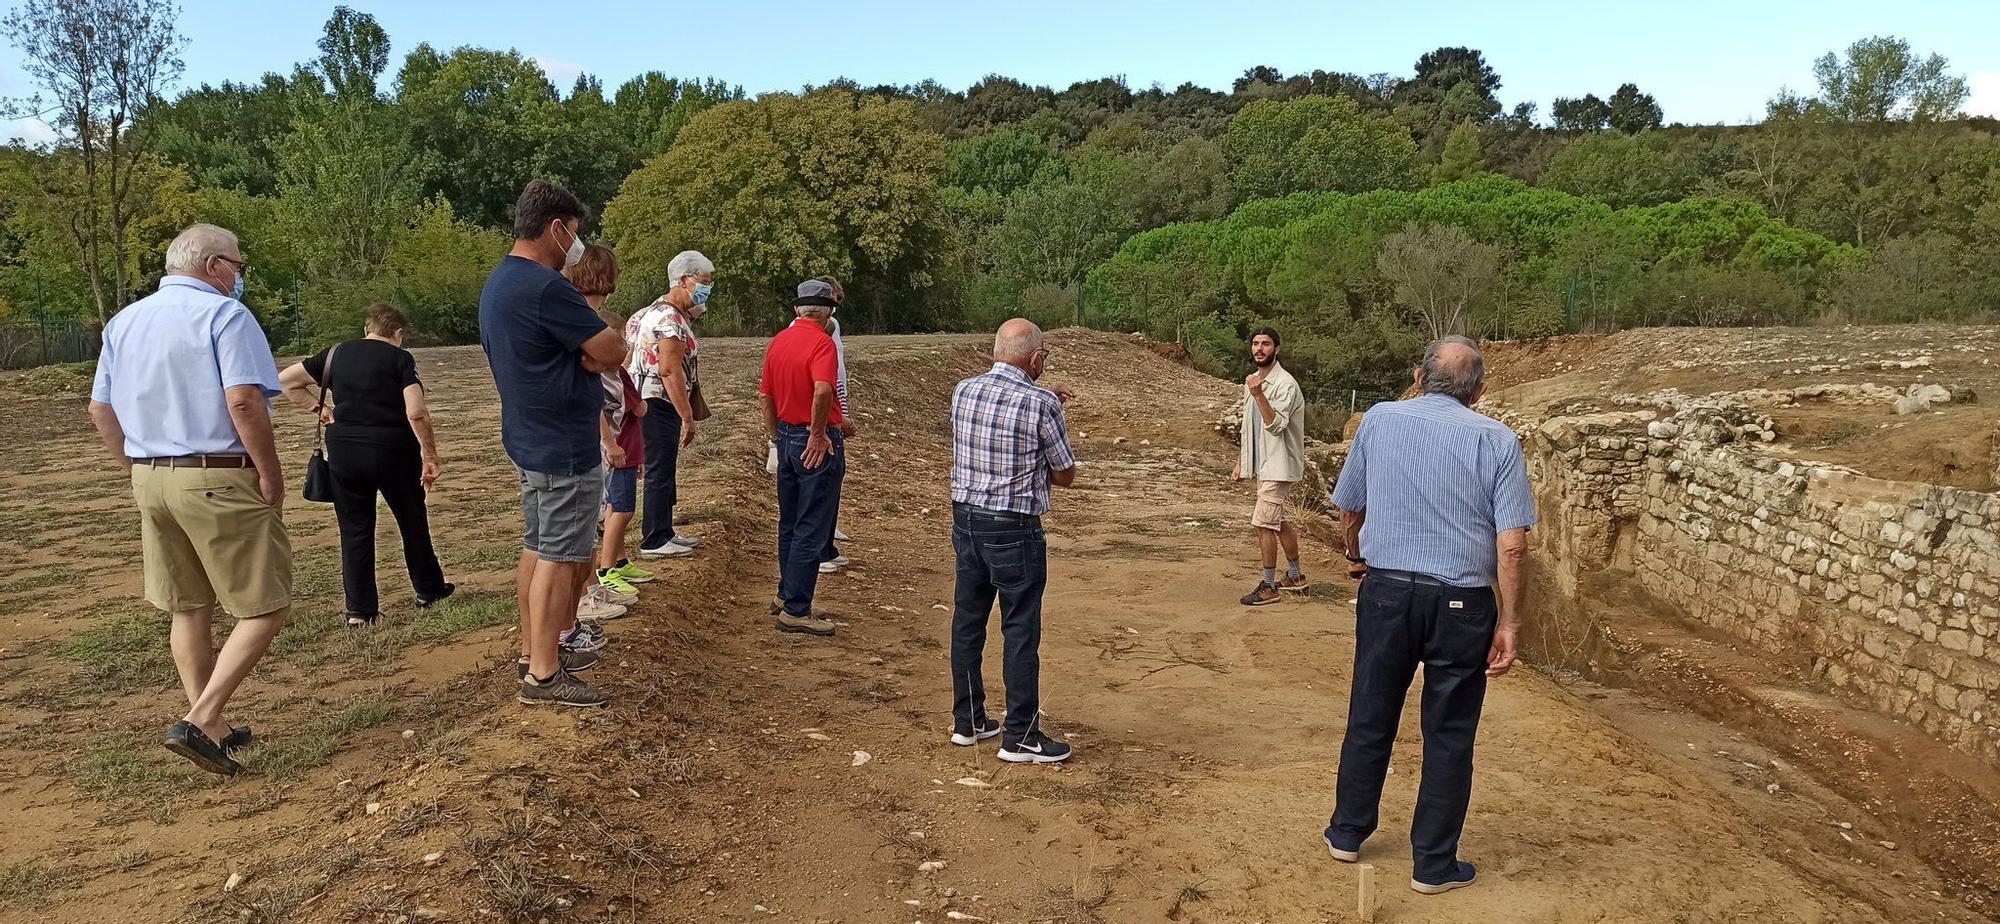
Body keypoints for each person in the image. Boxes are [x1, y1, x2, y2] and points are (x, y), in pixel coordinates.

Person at [1321, 335, 1535, 896]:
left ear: (1418, 377)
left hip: (1387, 591)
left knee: (1371, 709)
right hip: (1463, 602)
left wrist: (1357, 555)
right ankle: (1433, 865)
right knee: (1450, 731)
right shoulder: (1498, 439)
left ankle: (1347, 831)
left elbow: (1350, 505)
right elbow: (1511, 545)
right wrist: (1509, 623)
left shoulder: (1379, 420)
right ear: (1480, 392)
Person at [87, 222, 291, 776]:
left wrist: (135, 465)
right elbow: (244, 401)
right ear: (214, 266)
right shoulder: (225, 315)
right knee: (265, 604)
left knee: (188, 603)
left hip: (150, 476)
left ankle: (212, 724)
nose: (240, 277)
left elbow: (100, 410)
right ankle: (202, 718)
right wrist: (268, 472)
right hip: (215, 473)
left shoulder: (124, 322)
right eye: (239, 266)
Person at [479, 179, 628, 708]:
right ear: (557, 228)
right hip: (563, 443)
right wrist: (597, 351)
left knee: (537, 546)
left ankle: (531, 650)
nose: (578, 246)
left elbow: (589, 352)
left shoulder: (500, 282)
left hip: (529, 436)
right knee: (561, 557)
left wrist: (589, 353)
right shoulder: (548, 287)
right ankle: (544, 674)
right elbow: (609, 349)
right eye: (576, 234)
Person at [947, 319, 1078, 764]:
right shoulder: (1041, 402)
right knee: (1019, 628)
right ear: (1036, 359)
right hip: (1014, 527)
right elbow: (1065, 474)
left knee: (968, 621)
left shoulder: (964, 390)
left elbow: (995, 429)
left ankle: (969, 720)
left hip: (966, 520)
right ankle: (1021, 735)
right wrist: (1050, 411)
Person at [277, 304, 453, 628]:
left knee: (355, 528)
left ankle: (359, 610)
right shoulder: (401, 360)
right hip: (394, 451)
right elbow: (416, 412)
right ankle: (429, 589)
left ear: (366, 329)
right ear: (398, 333)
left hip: (345, 452)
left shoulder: (335, 354)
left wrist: (321, 408)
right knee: (412, 521)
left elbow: (286, 381)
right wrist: (430, 455)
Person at [564, 244, 652, 608]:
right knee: (577, 530)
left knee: (585, 526)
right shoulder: (581, 319)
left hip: (589, 443)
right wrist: (609, 442)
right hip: (591, 445)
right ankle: (581, 602)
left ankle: (586, 594)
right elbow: (598, 377)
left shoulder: (571, 313)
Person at [758, 279, 846, 637]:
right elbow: (823, 389)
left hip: (785, 434)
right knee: (813, 524)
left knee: (790, 522)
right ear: (827, 312)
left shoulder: (779, 341)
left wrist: (776, 436)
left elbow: (765, 395)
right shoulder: (822, 342)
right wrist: (818, 432)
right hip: (813, 441)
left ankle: (788, 593)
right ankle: (796, 609)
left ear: (798, 309)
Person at [626, 250, 711, 559]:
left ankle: (664, 529)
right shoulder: (669, 320)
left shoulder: (646, 313)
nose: (706, 289)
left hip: (645, 400)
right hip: (659, 402)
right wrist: (686, 415)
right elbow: (669, 368)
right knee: (659, 468)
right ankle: (654, 538)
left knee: (663, 467)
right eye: (703, 282)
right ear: (684, 280)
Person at [1233, 327, 1308, 606]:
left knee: (1263, 523)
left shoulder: (1285, 384)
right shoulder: (1253, 381)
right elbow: (1248, 427)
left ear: (1276, 349)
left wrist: (1260, 396)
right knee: (1275, 520)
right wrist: (1241, 460)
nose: (1259, 349)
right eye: (1255, 343)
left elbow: (1276, 426)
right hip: (1263, 463)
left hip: (1279, 464)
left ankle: (1268, 586)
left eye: (1265, 344)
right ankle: (1296, 576)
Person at [814, 274, 854, 575]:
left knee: (833, 478)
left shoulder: (833, 327)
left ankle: (826, 543)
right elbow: (825, 383)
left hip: (833, 411)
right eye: (834, 301)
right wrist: (836, 418)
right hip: (823, 417)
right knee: (821, 484)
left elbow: (838, 373)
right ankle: (820, 550)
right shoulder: (816, 334)